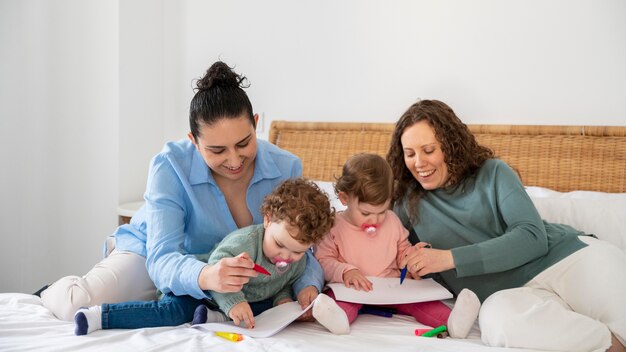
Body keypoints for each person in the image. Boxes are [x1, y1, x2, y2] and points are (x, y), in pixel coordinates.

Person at [40, 61, 324, 324]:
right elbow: (162, 258)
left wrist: (308, 286)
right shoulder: (170, 165)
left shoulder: (287, 166)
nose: (235, 160)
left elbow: (302, 245)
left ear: (255, 123)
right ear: (194, 141)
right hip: (153, 254)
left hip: (218, 274)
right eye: (217, 150)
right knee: (75, 304)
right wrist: (206, 275)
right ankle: (51, 290)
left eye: (243, 143)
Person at [387, 99, 626, 351]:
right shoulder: (405, 203)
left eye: (428, 150)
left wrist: (449, 258)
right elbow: (389, 254)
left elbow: (532, 237)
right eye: (410, 153)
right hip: (507, 296)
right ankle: (608, 345)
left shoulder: (493, 173)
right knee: (498, 324)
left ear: (449, 145)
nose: (418, 163)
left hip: (565, 259)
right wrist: (415, 265)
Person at [74, 178, 344, 335]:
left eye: (297, 251)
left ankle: (215, 318)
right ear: (268, 220)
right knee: (171, 312)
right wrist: (234, 303)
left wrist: (286, 299)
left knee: (270, 309)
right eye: (280, 245)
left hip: (232, 302)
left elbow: (284, 281)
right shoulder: (245, 244)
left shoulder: (299, 259)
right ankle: (100, 316)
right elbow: (218, 274)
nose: (286, 256)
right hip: (199, 289)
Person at [314, 153, 481, 337]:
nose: (375, 220)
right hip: (353, 290)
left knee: (424, 302)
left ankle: (454, 322)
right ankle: (337, 320)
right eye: (366, 212)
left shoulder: (392, 220)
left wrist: (410, 257)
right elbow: (323, 260)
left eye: (382, 211)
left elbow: (402, 248)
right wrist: (346, 271)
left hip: (393, 287)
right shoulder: (333, 226)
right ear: (344, 198)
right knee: (339, 303)